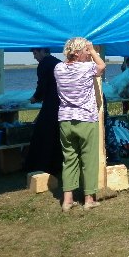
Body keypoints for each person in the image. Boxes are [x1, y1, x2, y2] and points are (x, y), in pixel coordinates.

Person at [54, 37, 106, 212]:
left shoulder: (58, 68)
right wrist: (94, 51)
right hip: (85, 119)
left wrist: (88, 51)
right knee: (89, 159)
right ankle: (89, 198)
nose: (88, 54)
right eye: (85, 51)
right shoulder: (86, 67)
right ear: (77, 53)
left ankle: (67, 200)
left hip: (65, 119)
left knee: (69, 159)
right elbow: (101, 66)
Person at [24, 48, 62, 177]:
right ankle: (57, 164)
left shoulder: (44, 64)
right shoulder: (59, 63)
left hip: (51, 104)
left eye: (35, 53)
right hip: (62, 104)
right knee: (58, 135)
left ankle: (42, 165)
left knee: (43, 135)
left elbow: (42, 85)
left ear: (42, 51)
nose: (34, 57)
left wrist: (34, 98)